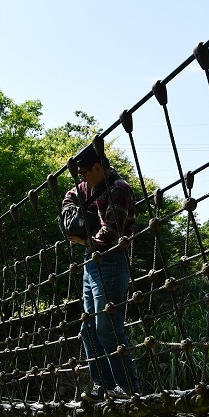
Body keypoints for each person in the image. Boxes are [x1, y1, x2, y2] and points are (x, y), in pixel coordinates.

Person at [62, 143, 141, 401]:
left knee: (107, 326)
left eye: (84, 173)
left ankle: (128, 386)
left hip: (111, 260)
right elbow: (69, 195)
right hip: (91, 263)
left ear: (98, 167)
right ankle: (103, 385)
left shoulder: (119, 189)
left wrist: (83, 240)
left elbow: (111, 233)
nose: (82, 179)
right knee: (88, 328)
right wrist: (72, 214)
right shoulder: (89, 186)